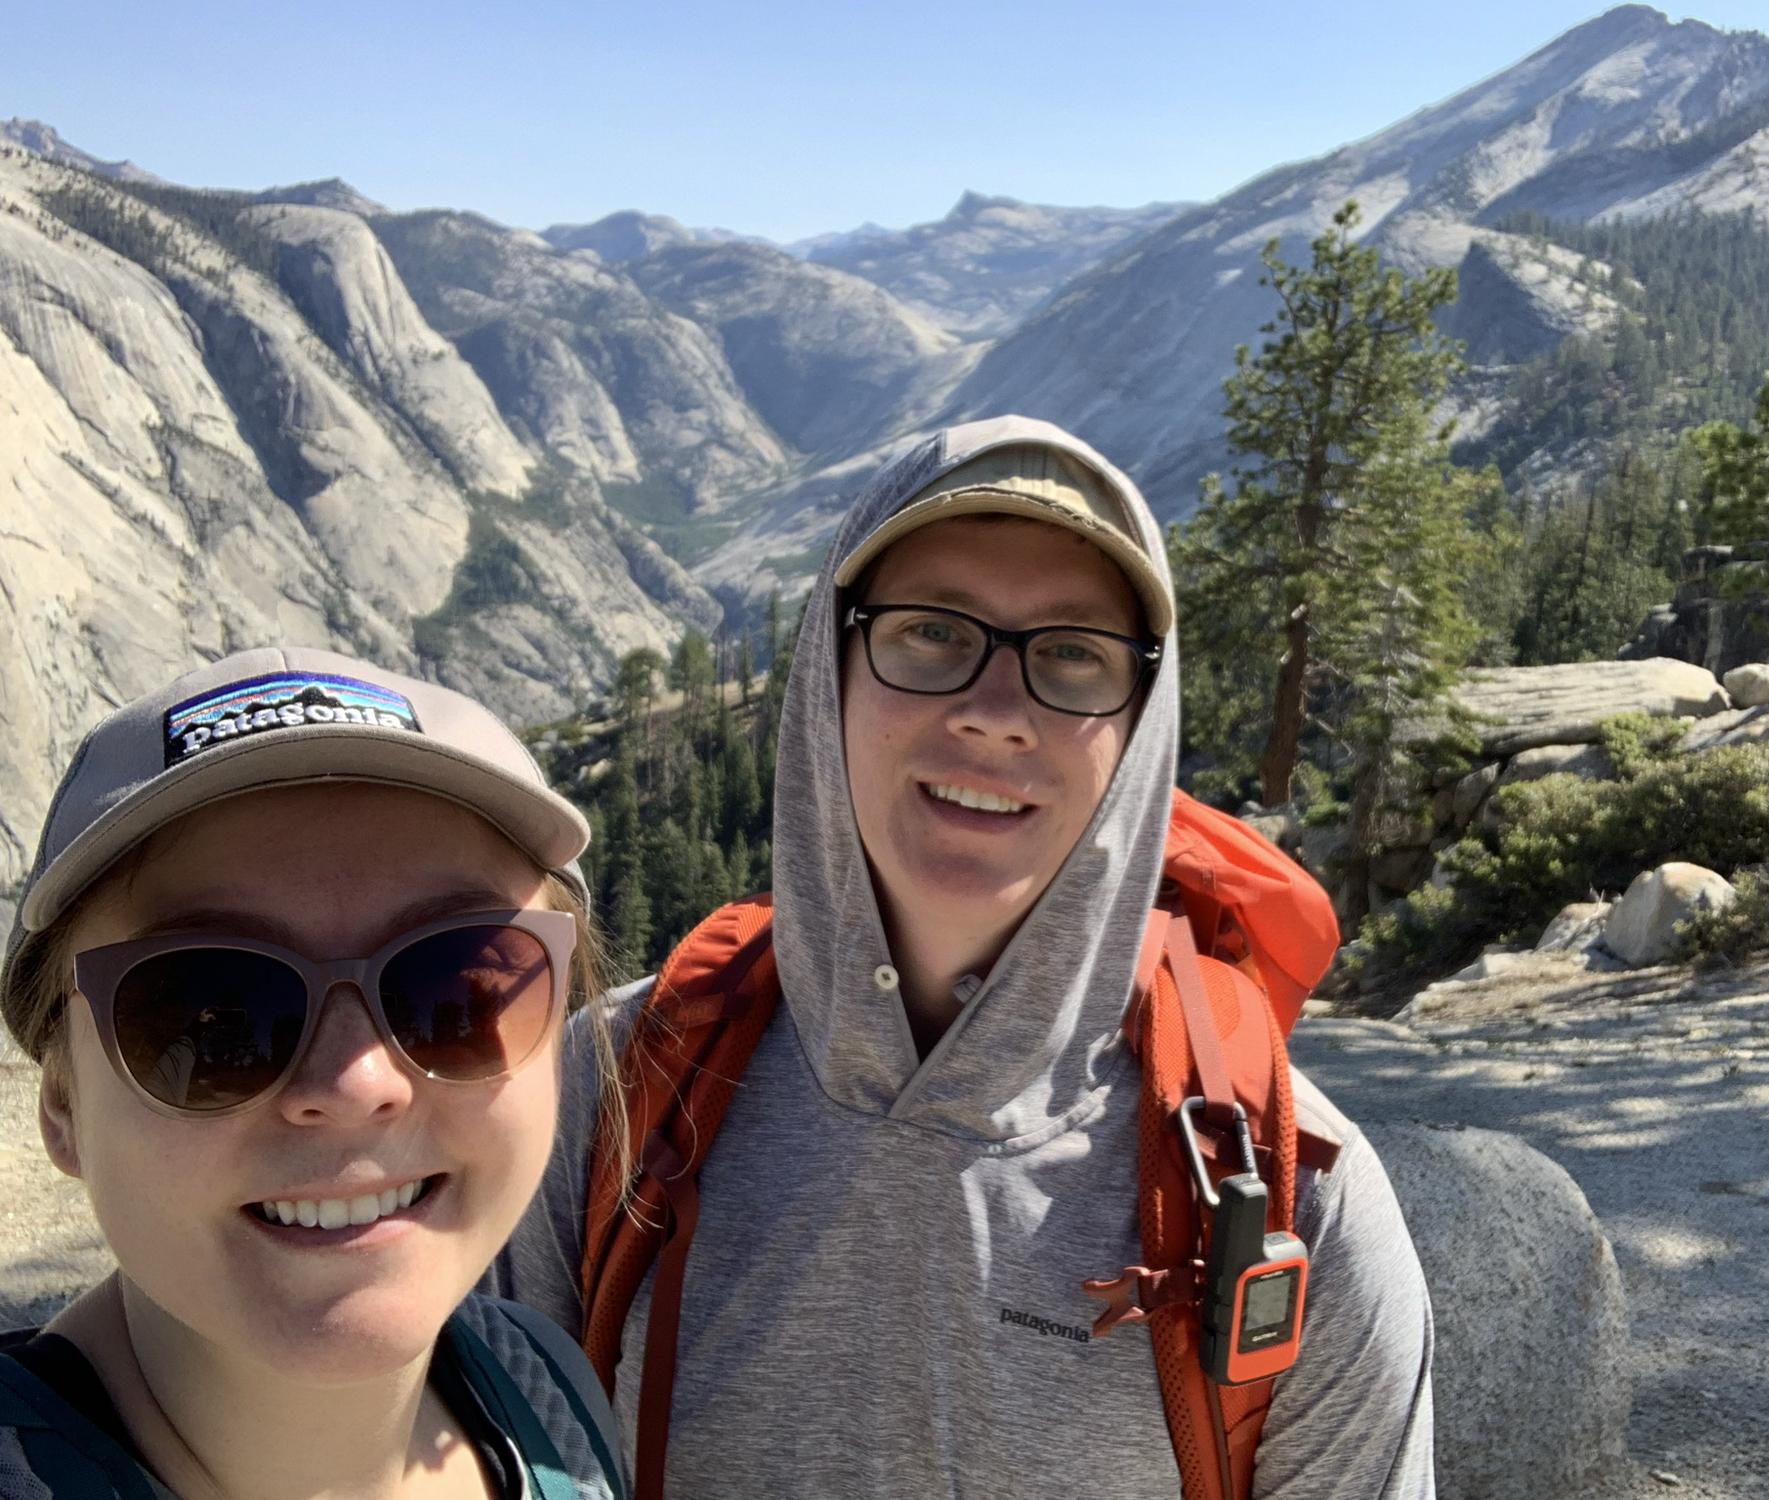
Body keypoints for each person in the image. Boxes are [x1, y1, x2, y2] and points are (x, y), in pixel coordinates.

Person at [495, 416, 1434, 1497]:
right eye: (932, 633)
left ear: (1138, 729)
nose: (995, 715)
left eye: (1073, 654)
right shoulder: (604, 1088)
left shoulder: (1288, 1189)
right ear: (830, 665)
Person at [0, 647, 627, 1500]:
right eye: (211, 1013)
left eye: (454, 987)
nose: (355, 1081)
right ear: (62, 1101)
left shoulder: (549, 1396)